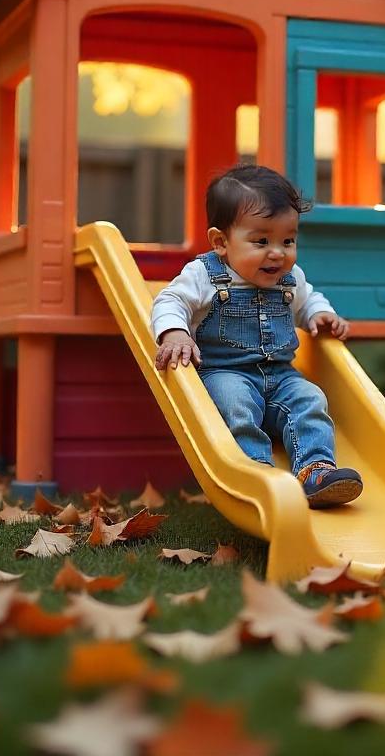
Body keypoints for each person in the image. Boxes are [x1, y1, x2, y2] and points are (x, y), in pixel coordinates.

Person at [151, 164, 363, 508]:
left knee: (311, 398)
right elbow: (170, 300)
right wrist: (174, 332)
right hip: (225, 372)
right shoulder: (205, 275)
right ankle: (256, 473)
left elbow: (309, 299)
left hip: (280, 376)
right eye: (261, 241)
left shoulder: (290, 278)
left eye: (288, 240)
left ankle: (316, 469)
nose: (278, 252)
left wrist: (320, 315)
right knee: (235, 403)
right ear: (221, 242)